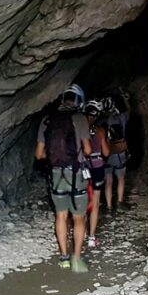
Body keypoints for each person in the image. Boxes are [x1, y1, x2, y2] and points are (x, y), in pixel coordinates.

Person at [35, 84, 93, 270]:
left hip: (55, 174)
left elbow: (39, 154)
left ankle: (63, 257)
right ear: (79, 101)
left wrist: (54, 157)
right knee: (78, 217)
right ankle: (76, 257)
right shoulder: (80, 119)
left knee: (60, 215)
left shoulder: (47, 120)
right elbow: (88, 150)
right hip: (76, 174)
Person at [82, 99, 111, 247]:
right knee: (95, 203)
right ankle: (91, 238)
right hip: (98, 168)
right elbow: (106, 152)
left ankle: (80, 233)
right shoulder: (100, 131)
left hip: (83, 168)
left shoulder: (79, 128)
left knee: (82, 201)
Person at [103, 92, 130, 212]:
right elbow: (129, 111)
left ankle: (109, 206)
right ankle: (120, 202)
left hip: (106, 153)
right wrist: (125, 100)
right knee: (121, 178)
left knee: (108, 180)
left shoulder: (102, 121)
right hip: (120, 152)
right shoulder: (121, 118)